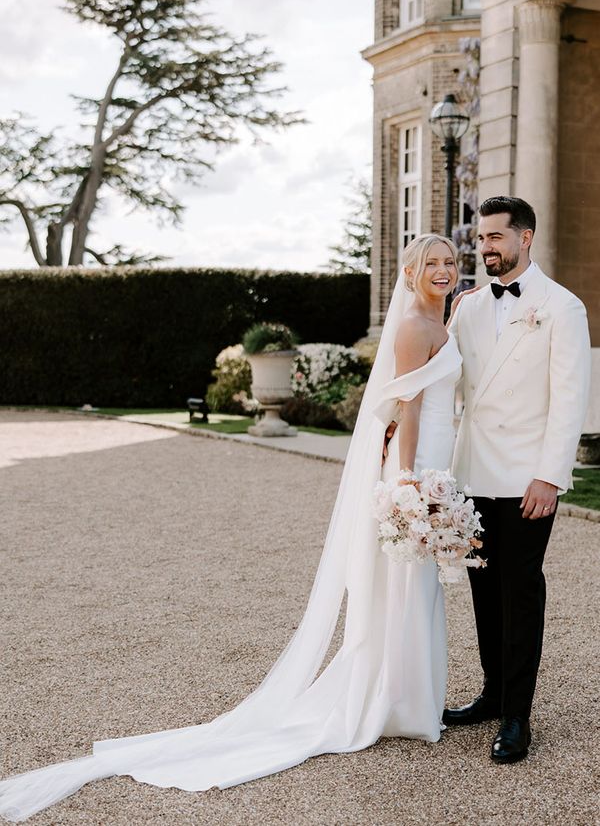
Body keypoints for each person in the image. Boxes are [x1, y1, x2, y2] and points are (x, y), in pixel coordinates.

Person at [0, 234, 462, 822]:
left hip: (442, 462)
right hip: (420, 469)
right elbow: (409, 410)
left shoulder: (442, 318)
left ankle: (412, 699)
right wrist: (410, 484)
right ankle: (403, 704)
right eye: (432, 264)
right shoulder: (413, 329)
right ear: (412, 272)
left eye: (449, 262)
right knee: (409, 586)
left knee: (419, 587)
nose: (443, 271)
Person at [442, 196, 591, 763]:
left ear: (525, 237)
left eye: (496, 238)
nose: (485, 248)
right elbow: (444, 378)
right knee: (483, 588)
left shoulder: (562, 306)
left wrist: (550, 477)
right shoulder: (469, 305)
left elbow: (570, 400)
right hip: (472, 472)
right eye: (481, 240)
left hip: (528, 476)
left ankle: (517, 715)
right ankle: (491, 693)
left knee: (520, 590)